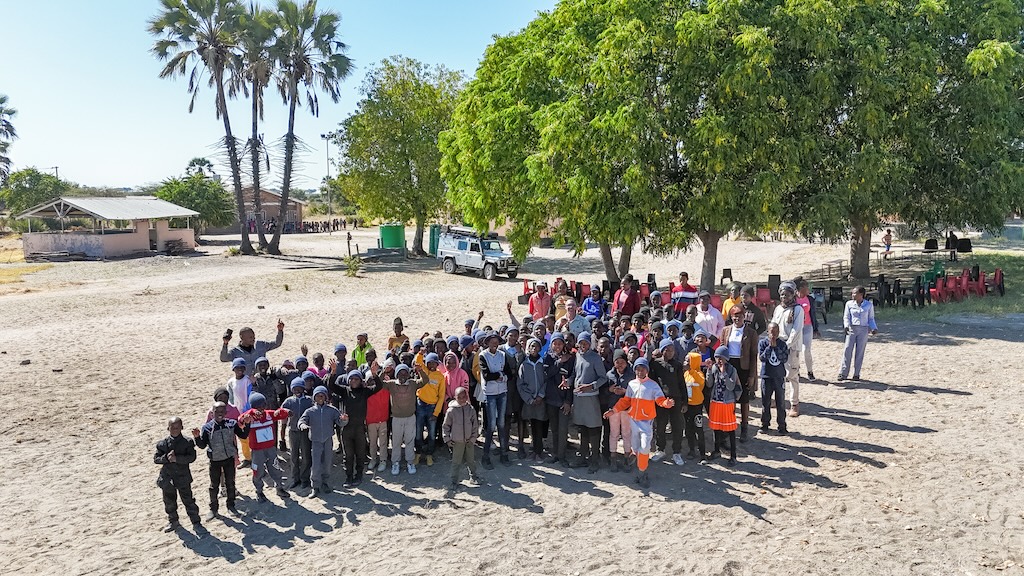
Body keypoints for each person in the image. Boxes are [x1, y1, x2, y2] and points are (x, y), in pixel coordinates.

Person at [603, 358, 675, 488]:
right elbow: (625, 401)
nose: (640, 372)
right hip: (633, 421)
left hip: (646, 422)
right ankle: (640, 469)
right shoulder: (632, 384)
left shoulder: (652, 385)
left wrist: (666, 403)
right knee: (636, 448)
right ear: (634, 370)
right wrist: (613, 411)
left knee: (645, 447)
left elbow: (660, 399)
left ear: (647, 370)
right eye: (637, 369)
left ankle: (642, 473)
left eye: (643, 369)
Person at [193, 402, 248, 519]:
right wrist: (197, 437)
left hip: (229, 459)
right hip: (215, 461)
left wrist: (247, 424)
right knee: (214, 486)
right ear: (212, 413)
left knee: (230, 483)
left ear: (226, 412)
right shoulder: (207, 428)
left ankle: (231, 506)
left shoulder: (231, 424)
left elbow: (243, 435)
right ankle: (213, 509)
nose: (220, 414)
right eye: (217, 411)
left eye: (222, 411)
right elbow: (202, 445)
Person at [237, 392, 291, 502]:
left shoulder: (268, 414)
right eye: (258, 407)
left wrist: (285, 412)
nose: (261, 409)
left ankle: (279, 487)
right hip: (257, 450)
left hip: (270, 448)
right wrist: (245, 420)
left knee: (275, 468)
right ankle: (259, 491)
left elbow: (282, 414)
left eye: (263, 405)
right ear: (253, 407)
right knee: (258, 471)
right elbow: (240, 421)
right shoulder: (249, 416)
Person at [336, 367, 385, 486]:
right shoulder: (345, 391)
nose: (353, 381)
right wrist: (333, 372)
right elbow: (332, 385)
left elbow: (378, 387)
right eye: (351, 379)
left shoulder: (365, 391)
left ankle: (358, 476)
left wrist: (374, 375)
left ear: (360, 380)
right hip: (346, 428)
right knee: (348, 455)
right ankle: (348, 477)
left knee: (360, 454)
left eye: (356, 379)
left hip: (359, 428)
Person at [154, 417, 204, 533]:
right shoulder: (162, 444)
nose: (175, 430)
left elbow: (191, 457)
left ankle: (196, 522)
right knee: (169, 501)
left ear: (182, 427)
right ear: (168, 428)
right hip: (167, 477)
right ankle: (173, 521)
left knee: (188, 501)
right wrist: (166, 458)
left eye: (177, 427)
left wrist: (177, 459)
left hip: (183, 476)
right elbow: (156, 459)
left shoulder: (187, 442)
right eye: (172, 427)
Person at [298, 386, 348, 495]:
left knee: (327, 462)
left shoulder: (332, 410)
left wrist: (344, 420)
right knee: (316, 464)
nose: (320, 398)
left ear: (325, 397)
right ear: (314, 398)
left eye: (322, 396)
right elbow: (301, 421)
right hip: (315, 441)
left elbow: (340, 422)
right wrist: (302, 425)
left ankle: (325, 482)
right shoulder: (310, 411)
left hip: (328, 440)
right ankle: (315, 486)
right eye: (317, 396)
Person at [720, 305, 758, 442]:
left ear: (744, 317)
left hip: (744, 367)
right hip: (730, 366)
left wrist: (752, 375)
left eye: (740, 316)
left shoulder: (751, 333)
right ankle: (729, 426)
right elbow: (722, 349)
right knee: (729, 398)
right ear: (731, 317)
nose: (737, 318)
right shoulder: (725, 330)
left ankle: (744, 428)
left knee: (744, 399)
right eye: (734, 316)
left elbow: (754, 355)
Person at [572, 333, 608, 473]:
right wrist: (568, 382)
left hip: (591, 398)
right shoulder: (577, 356)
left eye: (586, 343)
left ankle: (594, 460)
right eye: (581, 343)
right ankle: (582, 456)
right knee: (583, 428)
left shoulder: (595, 358)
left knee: (593, 428)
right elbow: (575, 375)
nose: (583, 345)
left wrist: (591, 386)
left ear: (590, 344)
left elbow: (603, 378)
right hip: (579, 398)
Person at [382, 364, 427, 475]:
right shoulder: (391, 384)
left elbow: (425, 381)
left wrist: (420, 371)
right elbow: (379, 384)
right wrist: (384, 372)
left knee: (409, 441)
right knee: (396, 442)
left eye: (405, 373)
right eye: (400, 373)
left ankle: (410, 462)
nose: (402, 376)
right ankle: (395, 463)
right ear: (396, 374)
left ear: (408, 374)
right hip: (396, 418)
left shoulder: (412, 383)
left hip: (410, 418)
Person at [480, 333, 515, 469]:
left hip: (502, 392)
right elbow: (487, 375)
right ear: (488, 343)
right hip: (490, 394)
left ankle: (503, 454)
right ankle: (486, 456)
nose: (494, 344)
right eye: (492, 341)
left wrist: (500, 376)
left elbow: (509, 374)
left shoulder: (502, 355)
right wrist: (500, 375)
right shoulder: (483, 356)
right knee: (491, 425)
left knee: (501, 424)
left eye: (496, 341)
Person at [648, 338, 686, 465]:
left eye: (672, 350)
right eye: (667, 350)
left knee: (677, 426)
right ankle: (661, 449)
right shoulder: (655, 364)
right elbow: (652, 382)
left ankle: (677, 452)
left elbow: (682, 384)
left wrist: (684, 402)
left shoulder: (677, 365)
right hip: (661, 400)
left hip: (676, 399)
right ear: (662, 350)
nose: (669, 352)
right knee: (660, 425)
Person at [770, 281, 804, 417]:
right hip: (778, 344)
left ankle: (794, 403)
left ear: (793, 295)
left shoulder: (797, 310)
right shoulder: (778, 309)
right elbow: (773, 325)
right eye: (782, 294)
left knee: (792, 375)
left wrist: (787, 345)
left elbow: (796, 330)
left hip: (791, 347)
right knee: (777, 373)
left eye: (787, 294)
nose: (784, 297)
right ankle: (777, 399)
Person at [706, 347, 741, 466]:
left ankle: (733, 455)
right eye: (716, 358)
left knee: (730, 430)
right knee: (716, 428)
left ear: (726, 358)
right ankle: (716, 451)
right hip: (716, 401)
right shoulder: (714, 367)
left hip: (727, 403)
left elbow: (731, 386)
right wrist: (709, 370)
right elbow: (709, 384)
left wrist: (724, 373)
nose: (718, 360)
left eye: (721, 358)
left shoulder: (732, 370)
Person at [543, 333, 574, 465]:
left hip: (563, 400)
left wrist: (568, 401)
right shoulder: (548, 358)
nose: (557, 346)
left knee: (563, 429)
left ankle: (562, 456)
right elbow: (546, 374)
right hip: (551, 399)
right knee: (554, 429)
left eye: (560, 343)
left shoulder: (570, 359)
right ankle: (555, 454)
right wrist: (559, 362)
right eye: (554, 343)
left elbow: (572, 379)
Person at [443, 387, 482, 490]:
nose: (462, 399)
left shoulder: (471, 409)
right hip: (457, 442)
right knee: (456, 462)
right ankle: (454, 481)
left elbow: (475, 425)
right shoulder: (451, 411)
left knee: (471, 460)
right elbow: (446, 426)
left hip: (469, 441)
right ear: (455, 397)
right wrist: (447, 439)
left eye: (464, 397)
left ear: (467, 396)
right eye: (459, 397)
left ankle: (473, 476)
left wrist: (473, 438)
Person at [517, 338, 548, 461]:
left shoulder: (543, 364)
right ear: (528, 348)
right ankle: (534, 451)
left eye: (537, 346)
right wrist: (529, 399)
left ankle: (539, 451)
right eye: (532, 346)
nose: (534, 349)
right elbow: (520, 384)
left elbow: (546, 381)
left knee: (540, 425)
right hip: (529, 401)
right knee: (533, 425)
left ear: (540, 348)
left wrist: (541, 395)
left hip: (541, 400)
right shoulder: (524, 365)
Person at [838, 285, 878, 381]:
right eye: (852, 293)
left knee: (860, 352)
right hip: (852, 328)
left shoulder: (868, 305)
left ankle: (856, 373)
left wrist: (874, 328)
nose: (853, 295)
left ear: (861, 294)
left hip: (863, 329)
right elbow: (846, 317)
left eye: (855, 293)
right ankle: (843, 373)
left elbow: (871, 318)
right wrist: (846, 326)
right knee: (847, 350)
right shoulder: (849, 304)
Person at [414, 353, 447, 466]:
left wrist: (436, 413)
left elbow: (441, 396)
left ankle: (429, 454)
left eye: (434, 363)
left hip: (432, 407)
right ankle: (418, 453)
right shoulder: (424, 370)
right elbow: (418, 361)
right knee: (418, 432)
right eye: (429, 363)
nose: (432, 365)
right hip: (420, 404)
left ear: (437, 364)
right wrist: (420, 353)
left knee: (432, 434)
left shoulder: (440, 377)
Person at [219, 320, 285, 376]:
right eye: (250, 337)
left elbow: (277, 343)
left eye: (254, 336)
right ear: (242, 338)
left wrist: (280, 331)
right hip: (245, 382)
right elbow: (223, 358)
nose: (253, 339)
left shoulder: (260, 345)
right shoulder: (235, 352)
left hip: (261, 380)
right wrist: (225, 343)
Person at [281, 378, 313, 489]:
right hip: (293, 431)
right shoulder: (288, 401)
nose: (297, 390)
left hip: (305, 432)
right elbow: (282, 416)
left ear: (304, 389)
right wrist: (282, 435)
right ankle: (295, 478)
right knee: (294, 456)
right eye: (295, 389)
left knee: (306, 456)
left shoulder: (309, 401)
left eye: (300, 388)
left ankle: (305, 479)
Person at [605, 349, 634, 472]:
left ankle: (627, 458)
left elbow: (636, 391)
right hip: (613, 408)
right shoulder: (609, 375)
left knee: (626, 433)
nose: (620, 365)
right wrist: (610, 390)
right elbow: (603, 392)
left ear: (626, 362)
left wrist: (625, 392)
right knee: (614, 433)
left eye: (622, 362)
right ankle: (613, 459)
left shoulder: (632, 375)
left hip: (627, 408)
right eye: (617, 362)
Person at [759, 322, 789, 434]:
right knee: (765, 401)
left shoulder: (782, 344)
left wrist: (776, 348)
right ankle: (765, 424)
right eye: (771, 332)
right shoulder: (762, 343)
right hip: (767, 376)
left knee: (780, 402)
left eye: (776, 332)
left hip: (779, 376)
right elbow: (762, 358)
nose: (773, 335)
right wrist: (769, 347)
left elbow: (784, 358)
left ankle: (782, 426)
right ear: (768, 332)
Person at [226, 358, 253, 468]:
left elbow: (250, 394)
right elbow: (230, 398)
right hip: (237, 414)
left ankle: (255, 456)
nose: (240, 370)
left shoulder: (247, 380)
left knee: (251, 435)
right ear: (233, 369)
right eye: (237, 368)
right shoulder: (231, 382)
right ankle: (247, 458)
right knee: (243, 438)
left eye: (242, 367)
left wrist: (247, 410)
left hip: (247, 412)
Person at [793, 277, 821, 381]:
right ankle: (796, 370)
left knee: (807, 350)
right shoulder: (793, 299)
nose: (808, 289)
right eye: (806, 287)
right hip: (796, 327)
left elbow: (813, 314)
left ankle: (810, 371)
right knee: (796, 350)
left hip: (808, 326)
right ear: (801, 288)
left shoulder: (810, 299)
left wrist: (816, 328)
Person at [682, 349, 708, 463]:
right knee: (689, 429)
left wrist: (691, 370)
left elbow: (700, 381)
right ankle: (691, 450)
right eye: (685, 360)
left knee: (699, 429)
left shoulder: (699, 374)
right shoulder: (685, 374)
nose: (685, 363)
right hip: (688, 406)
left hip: (697, 407)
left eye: (688, 361)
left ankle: (703, 454)